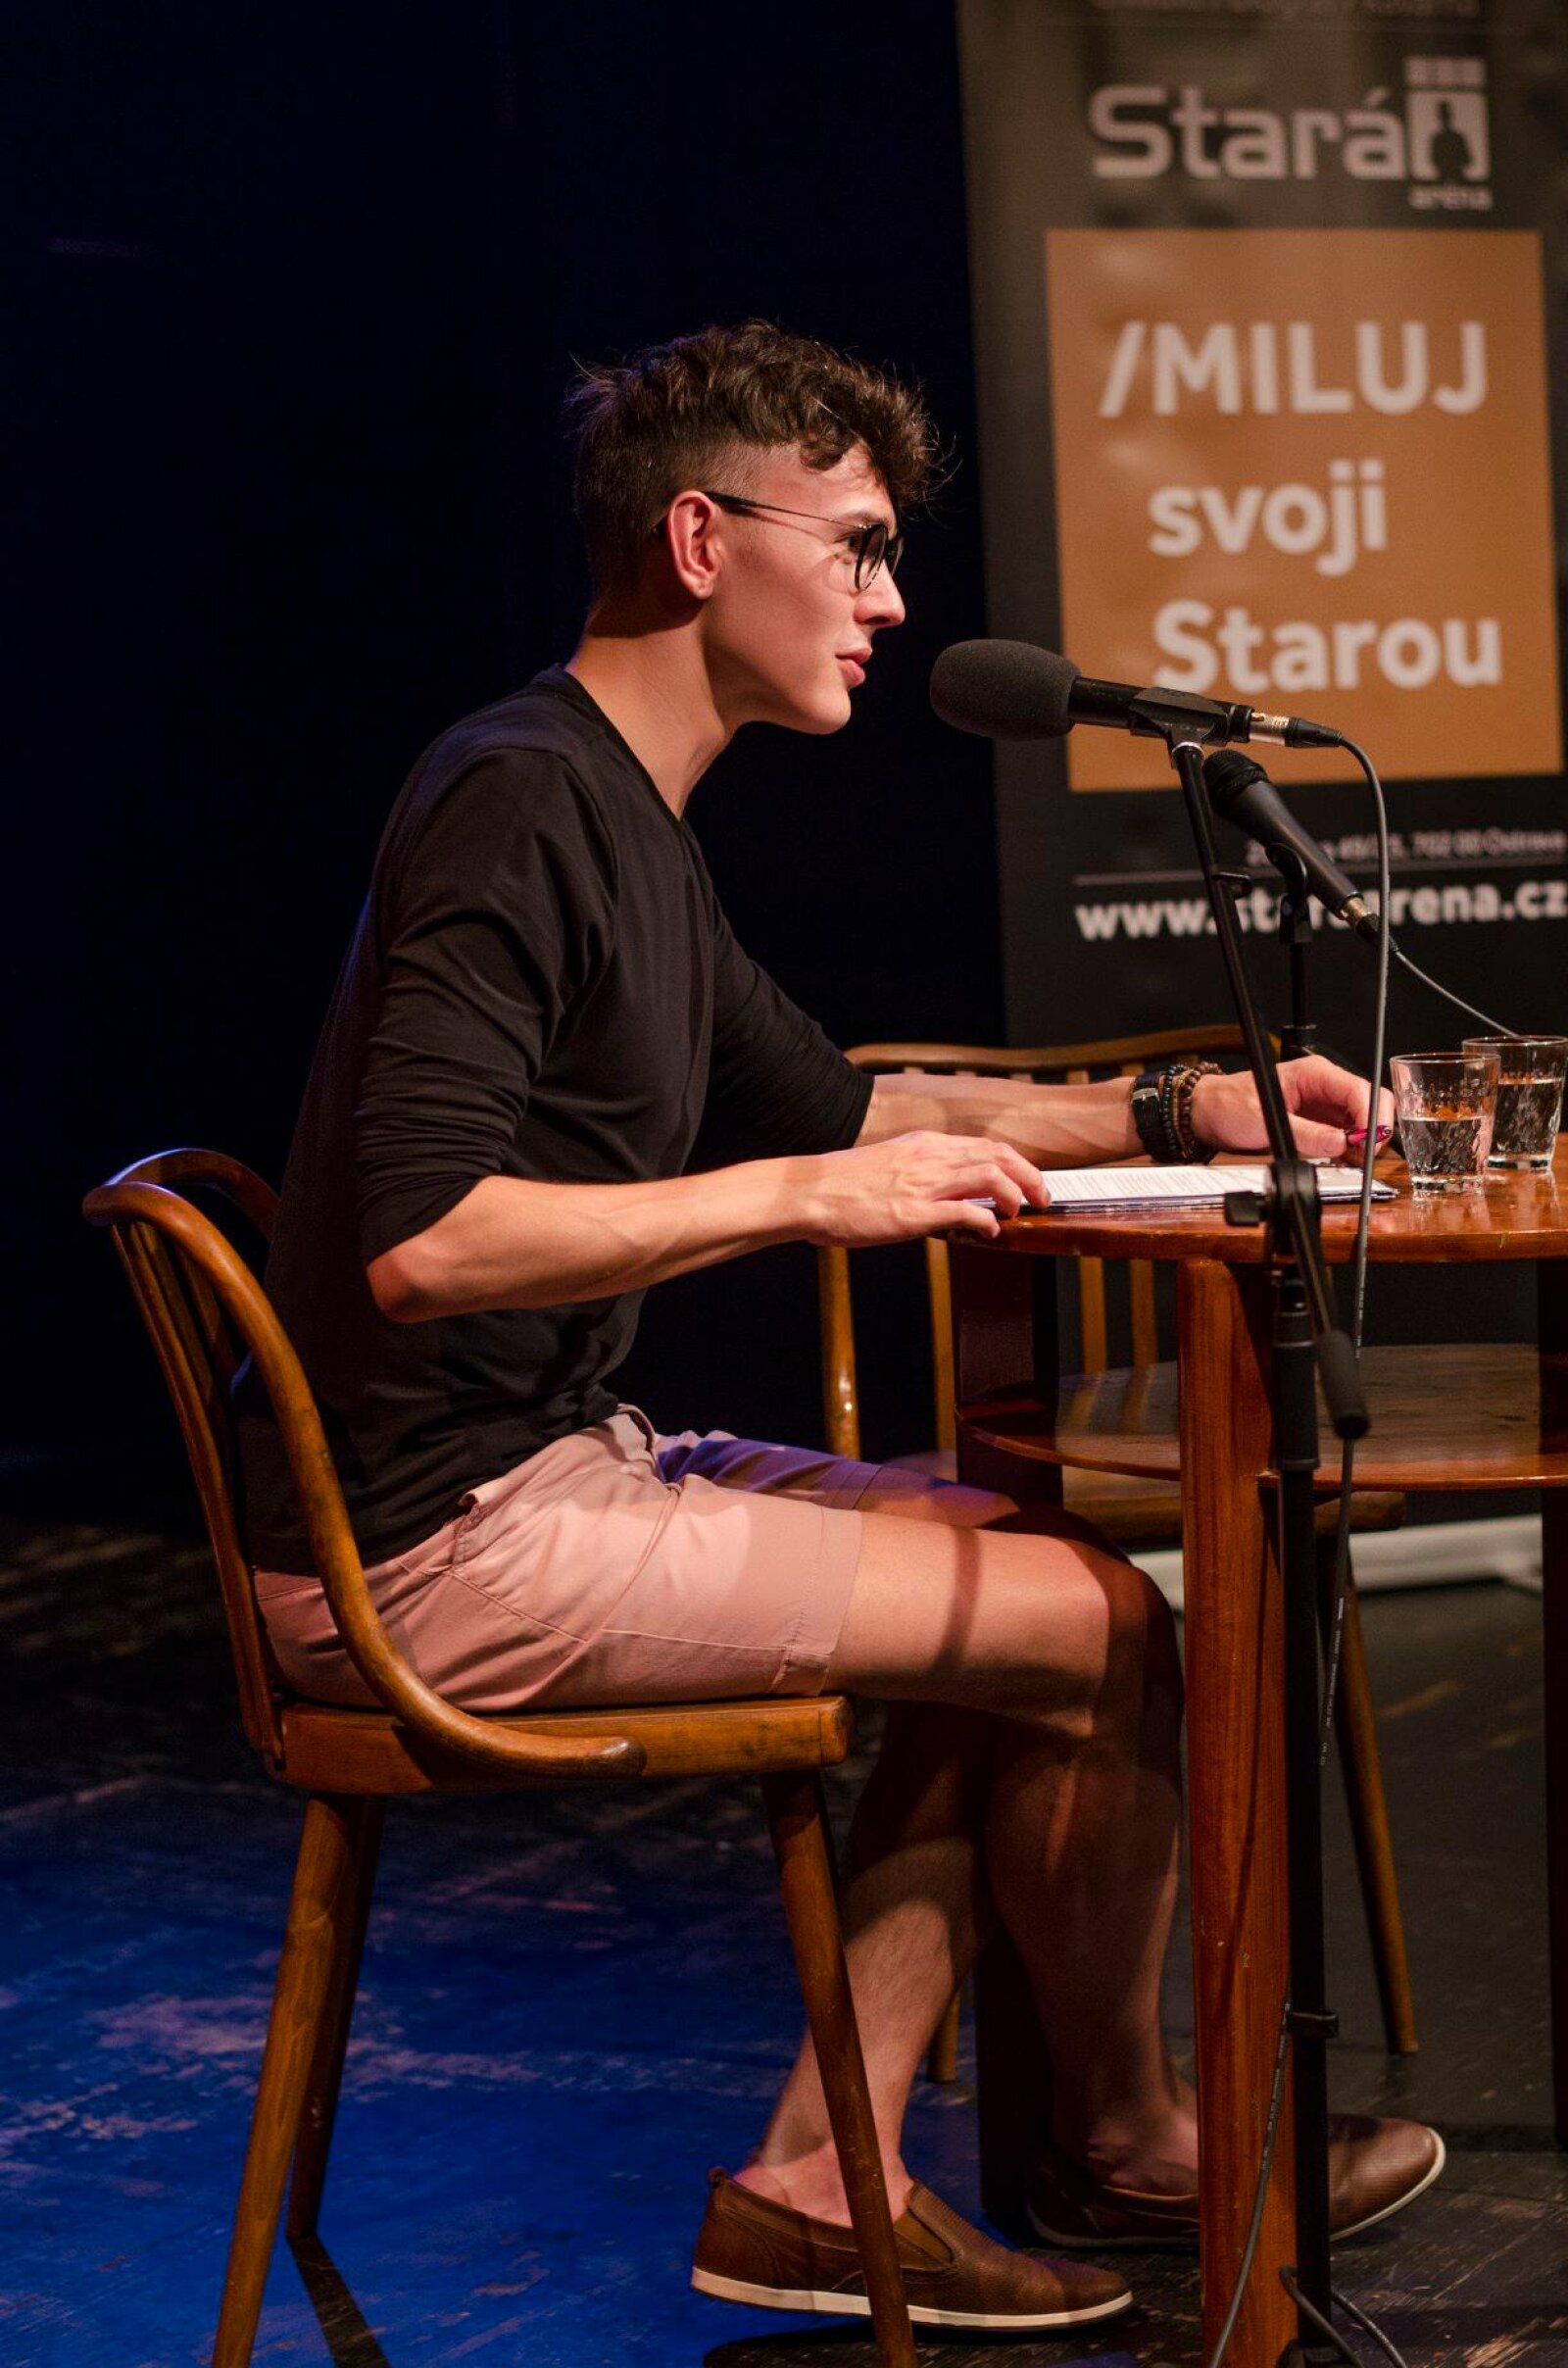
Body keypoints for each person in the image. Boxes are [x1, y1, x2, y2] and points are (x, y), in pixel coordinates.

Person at [241, 321, 1442, 2337]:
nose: (889, 603)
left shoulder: (629, 815)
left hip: (548, 1472)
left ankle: (860, 2167)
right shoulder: (520, 801)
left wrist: (1181, 1109)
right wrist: (801, 1198)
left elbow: (857, 1103)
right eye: (859, 546)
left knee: (1038, 1575)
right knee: (1102, 1627)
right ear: (701, 541)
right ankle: (1094, 2140)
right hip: (430, 1545)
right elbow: (424, 1243)